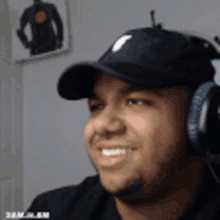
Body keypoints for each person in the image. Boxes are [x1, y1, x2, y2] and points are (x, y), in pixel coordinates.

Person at [22, 24, 220, 220]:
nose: (102, 125)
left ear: (206, 117)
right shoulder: (49, 210)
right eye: (96, 107)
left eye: (136, 101)